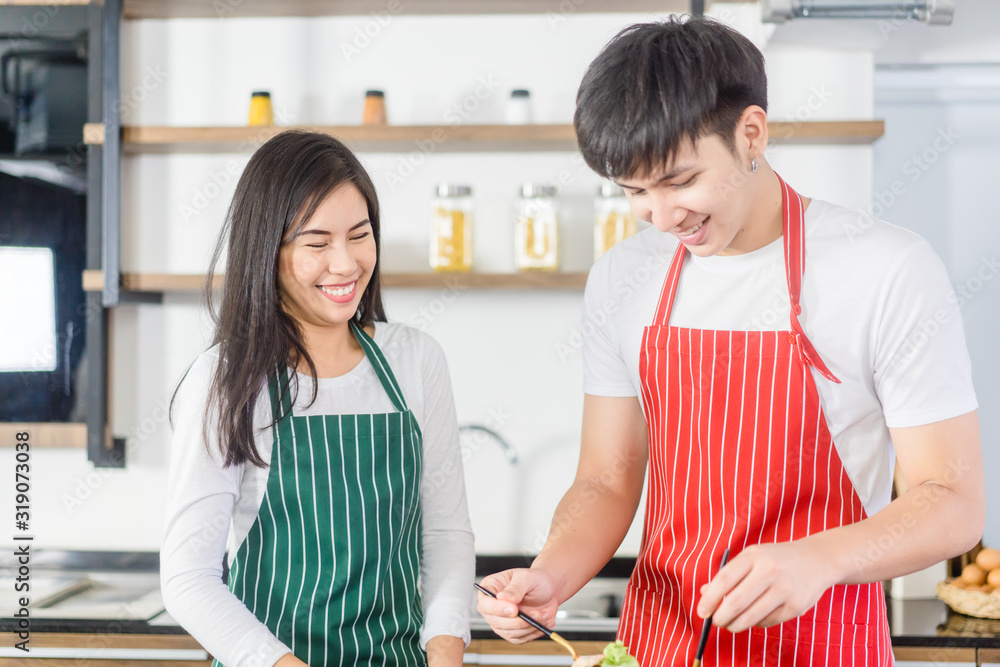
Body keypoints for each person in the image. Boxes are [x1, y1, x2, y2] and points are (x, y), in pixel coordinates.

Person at [477, 16, 983, 667]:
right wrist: (550, 574)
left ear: (751, 132)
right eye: (634, 191)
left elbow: (954, 500)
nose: (661, 217)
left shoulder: (886, 269)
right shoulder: (623, 277)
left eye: (680, 181)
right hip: (659, 645)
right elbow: (607, 477)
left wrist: (818, 558)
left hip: (820, 645)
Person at [161, 130, 474, 667]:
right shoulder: (226, 379)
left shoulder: (416, 359)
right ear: (268, 250)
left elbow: (444, 533)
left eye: (359, 235)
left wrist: (445, 652)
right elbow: (188, 578)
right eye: (317, 243)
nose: (346, 263)